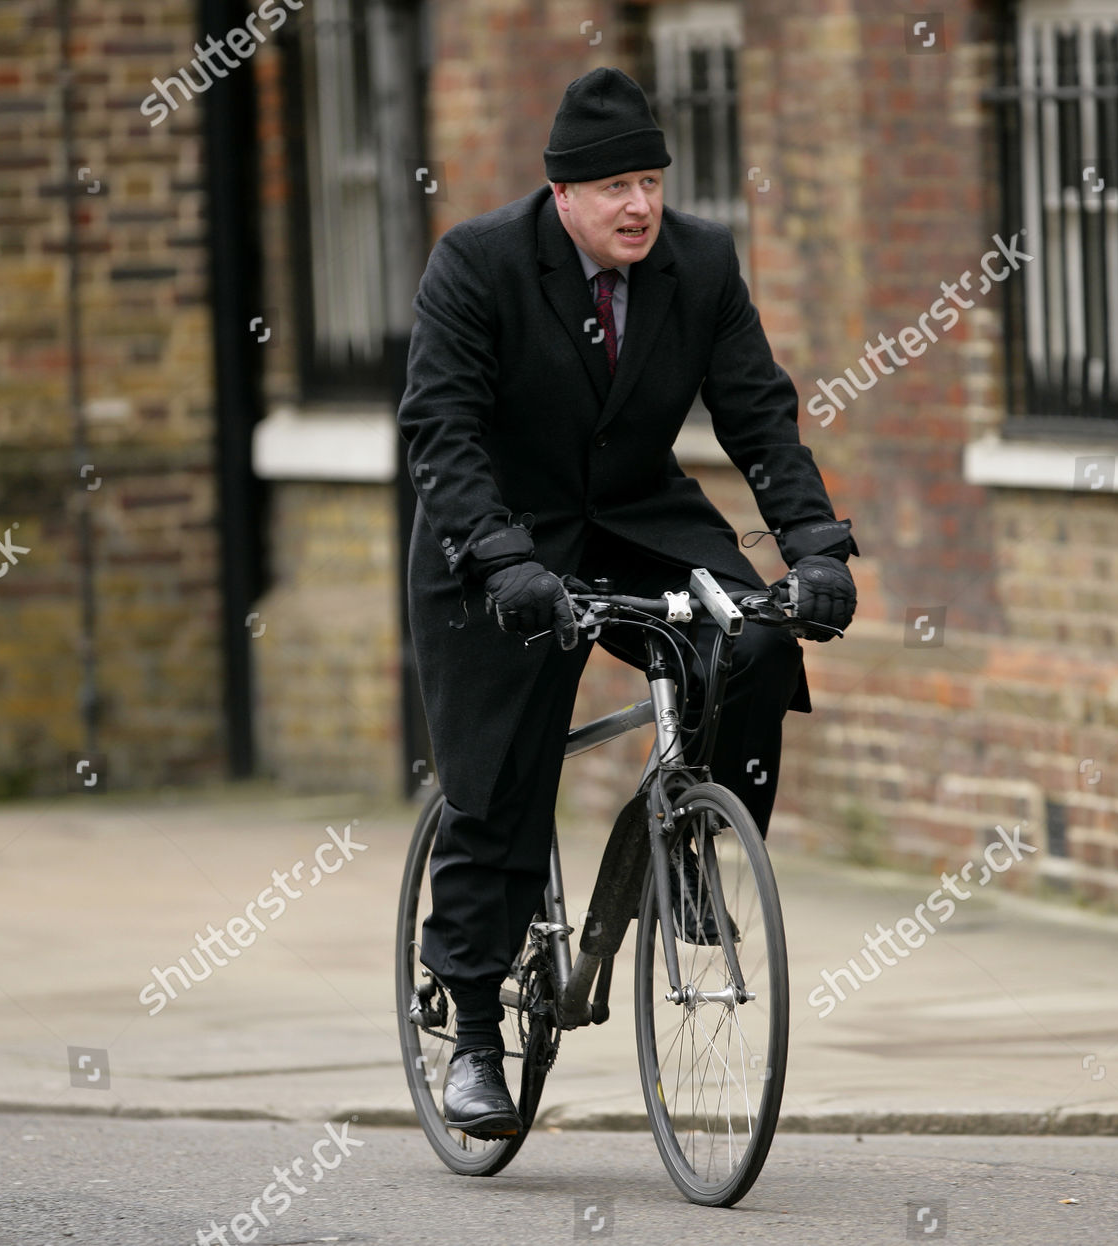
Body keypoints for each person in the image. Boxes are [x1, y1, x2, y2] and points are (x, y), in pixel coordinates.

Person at [397, 66, 859, 1140]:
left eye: (650, 180)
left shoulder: (699, 264)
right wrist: (506, 567)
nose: (639, 205)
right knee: (502, 769)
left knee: (750, 634)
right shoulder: (478, 264)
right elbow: (443, 436)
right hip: (498, 537)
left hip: (636, 517)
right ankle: (474, 1030)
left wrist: (819, 549)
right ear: (562, 196)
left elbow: (759, 415)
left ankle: (692, 835)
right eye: (613, 187)